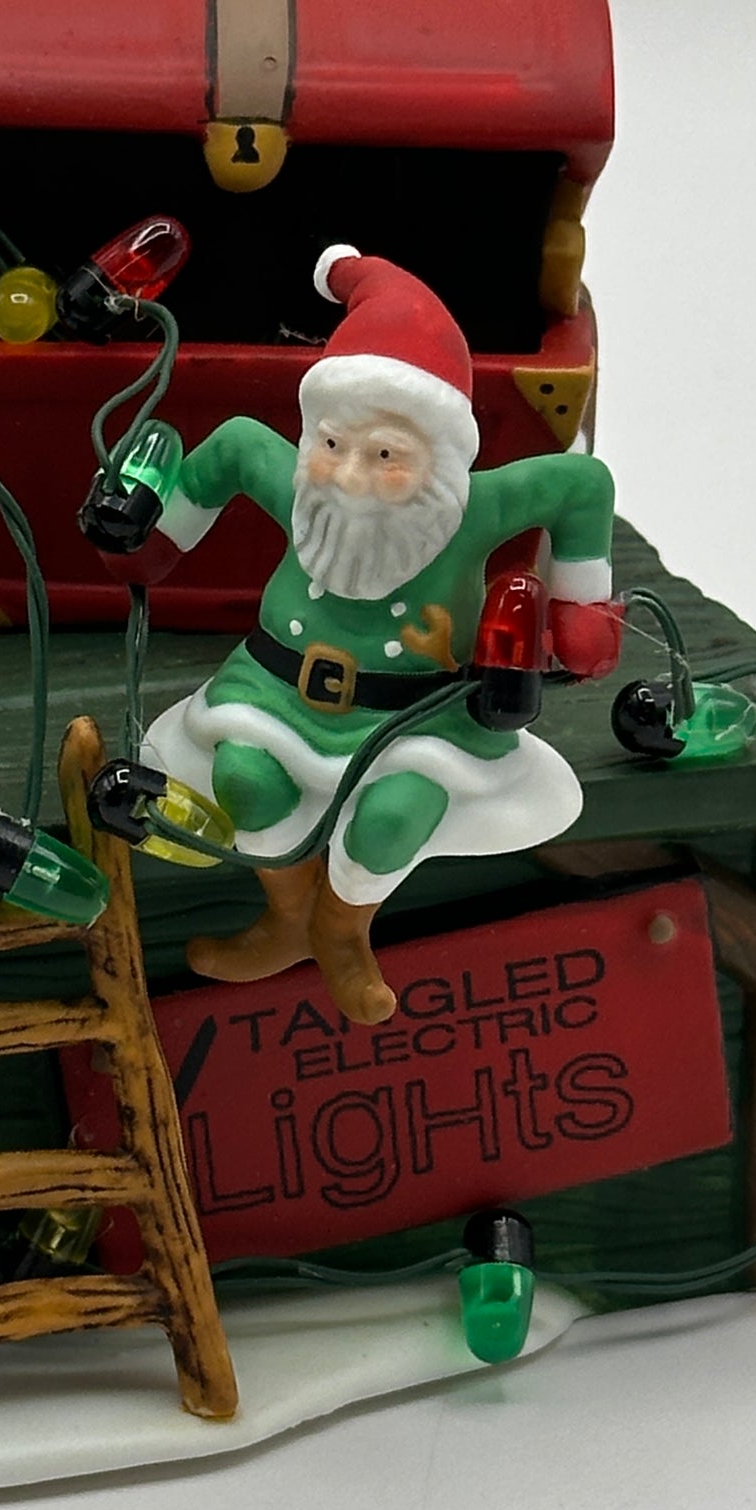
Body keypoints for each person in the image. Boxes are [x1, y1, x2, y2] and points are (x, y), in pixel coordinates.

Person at [137, 245, 625, 1023]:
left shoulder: (470, 510)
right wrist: (154, 527)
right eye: (333, 445)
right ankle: (288, 917)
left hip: (414, 711)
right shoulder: (300, 484)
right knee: (245, 780)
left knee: (397, 814)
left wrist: (581, 607)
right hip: (274, 689)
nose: (352, 476)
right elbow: (232, 443)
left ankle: (343, 930)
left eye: (389, 454)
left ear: (441, 458)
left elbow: (582, 483)